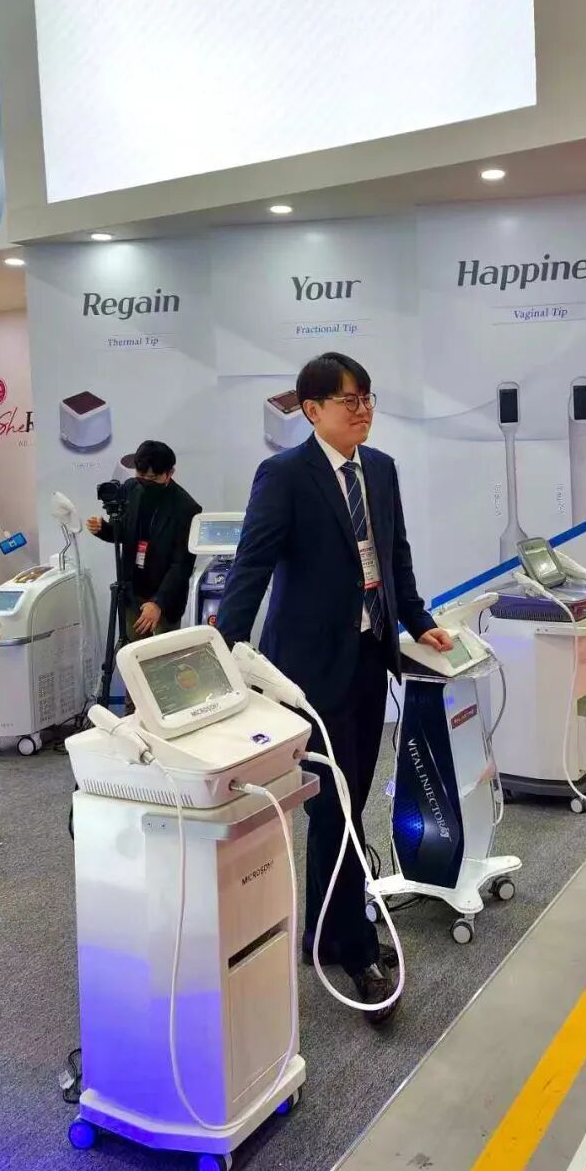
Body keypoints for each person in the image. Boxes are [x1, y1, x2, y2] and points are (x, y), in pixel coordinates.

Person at [215, 352, 453, 1024]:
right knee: (335, 808)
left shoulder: (380, 469)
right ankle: (354, 948)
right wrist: (223, 648)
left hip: (370, 658)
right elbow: (253, 563)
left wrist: (419, 621)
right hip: (309, 670)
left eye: (368, 397)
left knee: (347, 802)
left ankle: (322, 929)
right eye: (350, 400)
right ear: (312, 409)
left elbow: (394, 555)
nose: (363, 410)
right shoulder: (285, 475)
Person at [86, 439, 200, 638]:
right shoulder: (131, 488)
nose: (146, 481)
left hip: (165, 602)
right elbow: (124, 532)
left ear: (170, 473)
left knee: (163, 654)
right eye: (141, 475)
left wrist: (158, 603)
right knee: (134, 652)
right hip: (133, 593)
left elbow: (181, 565)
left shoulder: (186, 508)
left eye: (153, 478)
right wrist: (104, 529)